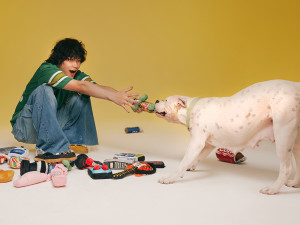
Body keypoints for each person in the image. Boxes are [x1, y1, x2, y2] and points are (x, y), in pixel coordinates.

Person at [10, 38, 138, 163]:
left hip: (46, 126)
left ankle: (72, 140)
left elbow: (96, 88)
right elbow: (80, 86)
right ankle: (48, 149)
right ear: (59, 59)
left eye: (78, 60)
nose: (76, 65)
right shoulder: (46, 70)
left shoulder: (77, 75)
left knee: (85, 92)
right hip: (24, 127)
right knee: (44, 90)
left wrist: (124, 98)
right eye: (71, 60)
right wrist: (114, 97)